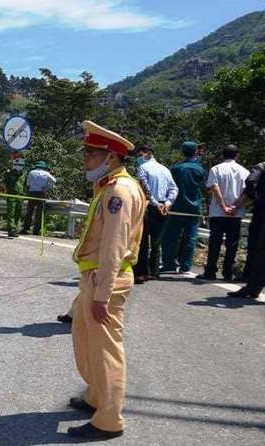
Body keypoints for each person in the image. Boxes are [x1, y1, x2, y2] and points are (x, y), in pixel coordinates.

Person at [67, 121, 145, 440]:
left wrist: (102, 293)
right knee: (86, 342)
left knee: (106, 351)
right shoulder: (107, 186)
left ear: (111, 157)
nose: (84, 157)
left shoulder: (119, 192)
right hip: (94, 276)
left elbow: (114, 245)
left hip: (105, 280)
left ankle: (109, 420)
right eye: (85, 151)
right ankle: (96, 398)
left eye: (90, 152)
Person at [197, 145, 249, 282]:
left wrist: (223, 206)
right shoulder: (244, 171)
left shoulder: (216, 169)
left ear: (223, 155)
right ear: (237, 155)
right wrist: (235, 207)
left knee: (215, 242)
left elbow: (214, 187)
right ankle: (228, 272)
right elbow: (246, 193)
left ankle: (210, 271)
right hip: (236, 213)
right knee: (232, 244)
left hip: (218, 212)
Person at [161, 142, 207, 275]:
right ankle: (185, 266)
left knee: (170, 237)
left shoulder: (176, 169)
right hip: (194, 208)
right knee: (190, 238)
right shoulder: (200, 169)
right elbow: (204, 188)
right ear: (195, 152)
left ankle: (168, 263)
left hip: (177, 207)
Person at [133, 146, 178, 282]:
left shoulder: (143, 168)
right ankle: (154, 271)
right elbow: (174, 188)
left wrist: (155, 203)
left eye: (140, 154)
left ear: (149, 154)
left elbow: (145, 187)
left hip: (149, 207)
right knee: (157, 241)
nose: (138, 158)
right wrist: (168, 203)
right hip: (163, 208)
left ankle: (142, 272)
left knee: (143, 240)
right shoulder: (165, 169)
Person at [238, 162, 265, 280]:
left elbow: (250, 182)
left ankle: (249, 276)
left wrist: (257, 197)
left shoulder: (262, 166)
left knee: (256, 244)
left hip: (262, 212)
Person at [21, 161, 56, 236]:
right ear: (44, 167)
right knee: (39, 213)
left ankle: (25, 228)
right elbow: (54, 180)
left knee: (29, 211)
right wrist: (46, 187)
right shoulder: (47, 173)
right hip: (41, 193)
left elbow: (28, 184)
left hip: (32, 193)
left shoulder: (31, 172)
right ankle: (36, 230)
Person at [5, 158, 26, 238]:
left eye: (21, 165)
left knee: (18, 212)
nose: (20, 166)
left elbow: (25, 184)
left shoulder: (24, 174)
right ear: (14, 165)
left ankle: (15, 229)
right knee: (11, 213)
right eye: (18, 165)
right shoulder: (9, 173)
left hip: (20, 195)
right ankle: (11, 230)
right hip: (11, 195)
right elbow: (5, 183)